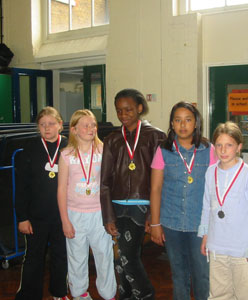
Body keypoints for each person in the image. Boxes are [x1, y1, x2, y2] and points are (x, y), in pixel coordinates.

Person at [100, 88, 166, 300]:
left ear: (139, 108)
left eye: (128, 109)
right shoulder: (111, 139)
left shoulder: (156, 136)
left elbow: (163, 181)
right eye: (119, 111)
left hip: (143, 205)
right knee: (120, 259)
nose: (123, 114)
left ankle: (145, 294)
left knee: (127, 255)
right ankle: (126, 296)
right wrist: (108, 216)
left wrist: (153, 215)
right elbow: (105, 181)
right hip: (117, 206)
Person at [150, 101, 217, 300]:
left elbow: (215, 190)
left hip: (200, 225)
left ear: (196, 123)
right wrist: (155, 223)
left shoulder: (209, 150)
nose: (183, 125)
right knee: (179, 275)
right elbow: (155, 188)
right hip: (172, 223)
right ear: (171, 124)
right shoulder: (163, 150)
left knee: (202, 275)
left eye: (188, 120)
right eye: (178, 120)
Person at [198, 121, 248, 300]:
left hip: (243, 249)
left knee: (243, 295)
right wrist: (205, 235)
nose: (223, 150)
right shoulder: (210, 172)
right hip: (217, 246)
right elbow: (207, 206)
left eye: (229, 145)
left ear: (239, 147)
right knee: (219, 294)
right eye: (219, 145)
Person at [58, 109, 116, 300]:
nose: (91, 128)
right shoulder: (66, 154)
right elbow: (61, 190)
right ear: (74, 129)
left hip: (99, 213)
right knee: (77, 256)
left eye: (93, 124)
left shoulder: (104, 150)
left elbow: (110, 183)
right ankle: (80, 293)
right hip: (75, 214)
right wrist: (65, 220)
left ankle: (108, 294)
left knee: (104, 255)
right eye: (86, 125)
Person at [15, 106, 69, 300]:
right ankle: (29, 295)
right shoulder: (29, 147)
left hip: (63, 215)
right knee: (33, 258)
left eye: (51, 124)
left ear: (60, 125)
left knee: (61, 255)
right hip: (36, 216)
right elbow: (21, 186)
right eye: (42, 124)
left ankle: (59, 293)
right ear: (38, 127)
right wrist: (22, 217)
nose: (47, 128)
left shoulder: (70, 146)